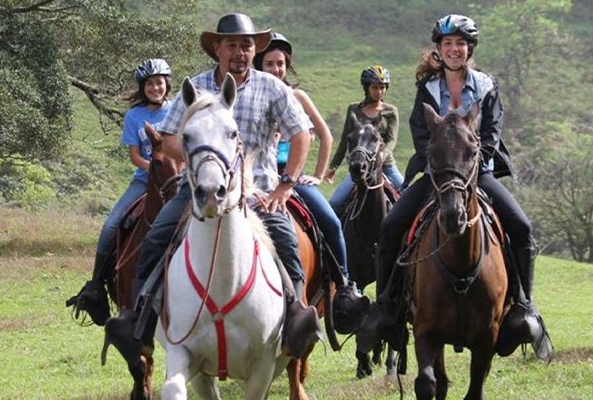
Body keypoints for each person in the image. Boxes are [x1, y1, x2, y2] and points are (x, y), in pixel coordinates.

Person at [102, 14, 363, 371]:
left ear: (254, 50)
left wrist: (287, 184)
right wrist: (201, 155)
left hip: (261, 192)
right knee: (156, 237)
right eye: (232, 45)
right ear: (217, 49)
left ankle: (299, 317)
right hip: (199, 188)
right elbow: (169, 138)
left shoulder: (273, 88)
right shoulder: (193, 87)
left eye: (247, 45)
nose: (240, 52)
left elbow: (302, 134)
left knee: (289, 241)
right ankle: (141, 318)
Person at [365, 14, 552, 360]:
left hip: (477, 173)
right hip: (437, 176)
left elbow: (491, 134)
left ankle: (524, 307)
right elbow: (422, 135)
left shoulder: (486, 86)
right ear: (438, 49)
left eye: (460, 44)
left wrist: (469, 166)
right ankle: (387, 307)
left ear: (469, 49)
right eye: (447, 43)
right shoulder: (428, 89)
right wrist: (441, 168)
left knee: (521, 227)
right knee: (391, 226)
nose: (454, 49)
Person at [253, 32, 371, 334]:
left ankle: (344, 284)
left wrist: (317, 175)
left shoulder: (298, 97)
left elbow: (326, 135)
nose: (276, 69)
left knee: (330, 220)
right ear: (259, 65)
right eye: (269, 64)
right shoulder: (252, 95)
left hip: (292, 177)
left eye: (280, 63)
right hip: (258, 178)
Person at [66, 59, 173, 326]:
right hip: (144, 180)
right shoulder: (134, 117)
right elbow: (135, 156)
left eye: (159, 82)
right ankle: (95, 285)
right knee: (111, 224)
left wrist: (169, 172)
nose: (155, 87)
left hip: (175, 181)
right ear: (142, 87)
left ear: (167, 84)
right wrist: (154, 169)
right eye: (150, 84)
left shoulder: (177, 111)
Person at [326, 65, 404, 216]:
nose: (379, 92)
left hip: (385, 165)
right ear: (367, 88)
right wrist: (333, 166)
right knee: (335, 202)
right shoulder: (354, 109)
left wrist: (382, 156)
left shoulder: (391, 111)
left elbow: (392, 140)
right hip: (360, 166)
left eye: (383, 87)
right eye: (375, 87)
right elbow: (345, 140)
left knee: (406, 194)